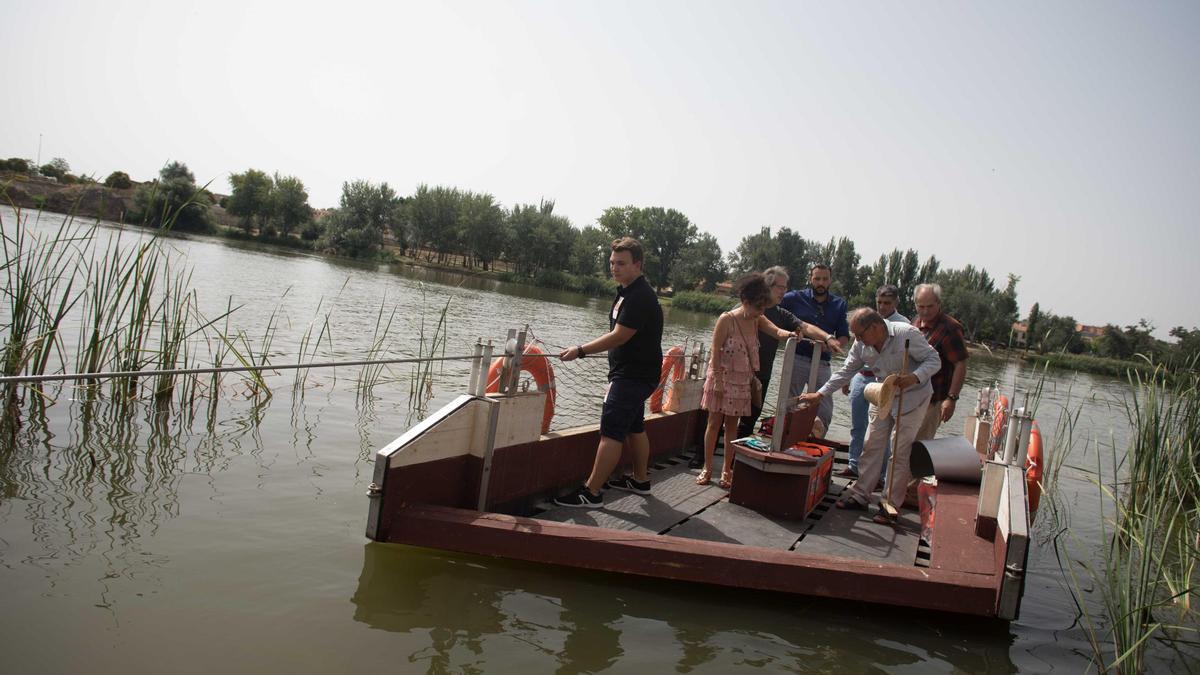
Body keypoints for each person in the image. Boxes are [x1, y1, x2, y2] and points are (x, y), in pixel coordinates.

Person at [697, 273, 839, 489]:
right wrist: (716, 380)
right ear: (745, 302)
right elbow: (715, 350)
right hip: (722, 378)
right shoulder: (727, 319)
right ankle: (707, 467)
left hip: (742, 379)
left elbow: (776, 331)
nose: (761, 313)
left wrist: (790, 334)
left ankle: (727, 468)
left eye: (763, 308)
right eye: (758, 308)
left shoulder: (758, 318)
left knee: (733, 427)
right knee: (714, 423)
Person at [800, 308, 940, 525]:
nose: (858, 340)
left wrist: (914, 377)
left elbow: (934, 360)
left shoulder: (906, 334)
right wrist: (820, 394)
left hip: (913, 398)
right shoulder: (862, 345)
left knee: (899, 451)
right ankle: (861, 494)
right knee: (871, 443)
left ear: (875, 327)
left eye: (860, 334)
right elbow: (845, 371)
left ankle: (890, 504)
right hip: (883, 395)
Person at [553, 237, 663, 508]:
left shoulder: (639, 296)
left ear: (637, 264)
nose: (614, 268)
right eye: (612, 262)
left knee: (611, 431)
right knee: (635, 426)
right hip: (639, 374)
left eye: (621, 263)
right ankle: (640, 480)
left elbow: (619, 336)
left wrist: (580, 350)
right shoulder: (627, 290)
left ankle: (591, 492)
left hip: (630, 376)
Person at [735, 266, 838, 439]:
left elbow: (805, 326)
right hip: (736, 371)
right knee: (723, 415)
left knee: (749, 421)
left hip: (761, 376)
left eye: (785, 287)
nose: (784, 291)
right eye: (780, 287)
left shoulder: (780, 313)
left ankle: (733, 462)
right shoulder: (745, 308)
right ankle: (703, 456)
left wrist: (827, 337)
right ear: (767, 286)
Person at [838, 285, 910, 479]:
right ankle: (854, 465)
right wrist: (847, 379)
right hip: (861, 376)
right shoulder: (865, 320)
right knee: (858, 424)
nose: (883, 306)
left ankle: (880, 475)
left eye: (887, 303)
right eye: (879, 302)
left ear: (895, 303)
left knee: (881, 430)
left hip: (884, 381)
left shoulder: (903, 325)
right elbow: (854, 351)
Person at [780, 264, 849, 432]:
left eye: (825, 279)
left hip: (822, 362)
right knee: (788, 403)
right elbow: (774, 308)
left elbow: (843, 336)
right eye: (817, 278)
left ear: (830, 281)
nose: (821, 283)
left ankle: (815, 441)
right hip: (796, 357)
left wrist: (831, 347)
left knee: (824, 408)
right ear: (810, 279)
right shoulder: (794, 298)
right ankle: (785, 439)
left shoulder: (839, 304)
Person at [912, 283, 969, 441]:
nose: (925, 311)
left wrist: (951, 399)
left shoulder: (950, 328)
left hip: (934, 398)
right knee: (900, 443)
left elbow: (960, 364)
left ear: (939, 304)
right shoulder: (915, 323)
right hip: (912, 396)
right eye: (921, 306)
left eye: (930, 306)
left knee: (919, 445)